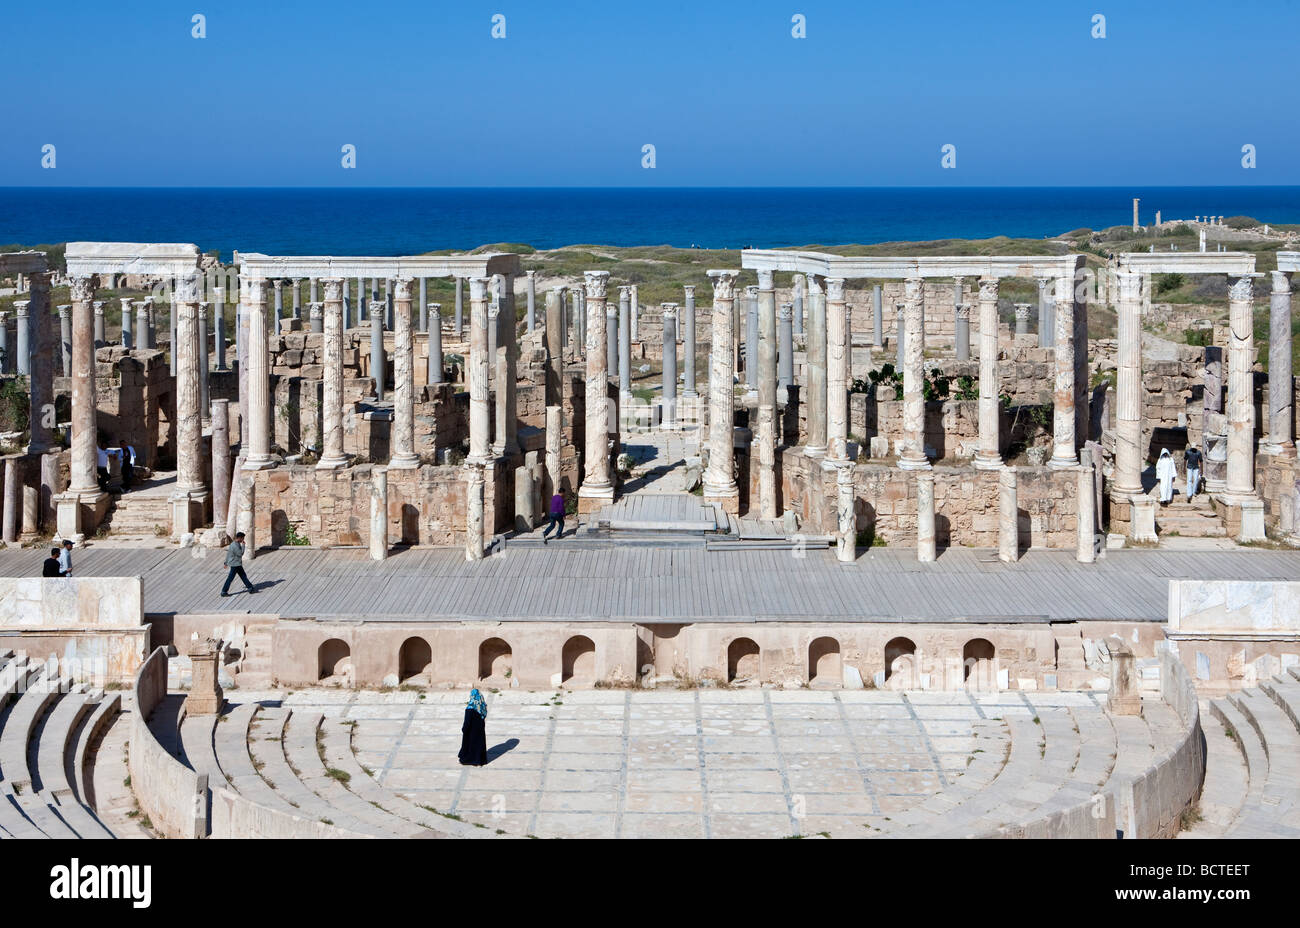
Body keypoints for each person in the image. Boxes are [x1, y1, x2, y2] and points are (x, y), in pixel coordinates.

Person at [220, 531, 257, 597]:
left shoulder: (233, 544)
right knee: (231, 578)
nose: (243, 540)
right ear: (239, 538)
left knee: (243, 576)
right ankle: (224, 592)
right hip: (235, 564)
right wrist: (243, 545)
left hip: (236, 564)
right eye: (242, 538)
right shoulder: (235, 546)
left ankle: (250, 588)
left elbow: (228, 554)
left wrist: (226, 563)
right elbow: (240, 553)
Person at [458, 688, 489, 766]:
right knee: (479, 745)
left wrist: (464, 729)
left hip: (471, 732)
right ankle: (480, 760)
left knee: (470, 746)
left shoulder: (470, 709)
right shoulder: (482, 707)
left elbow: (467, 722)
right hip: (480, 731)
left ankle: (469, 760)